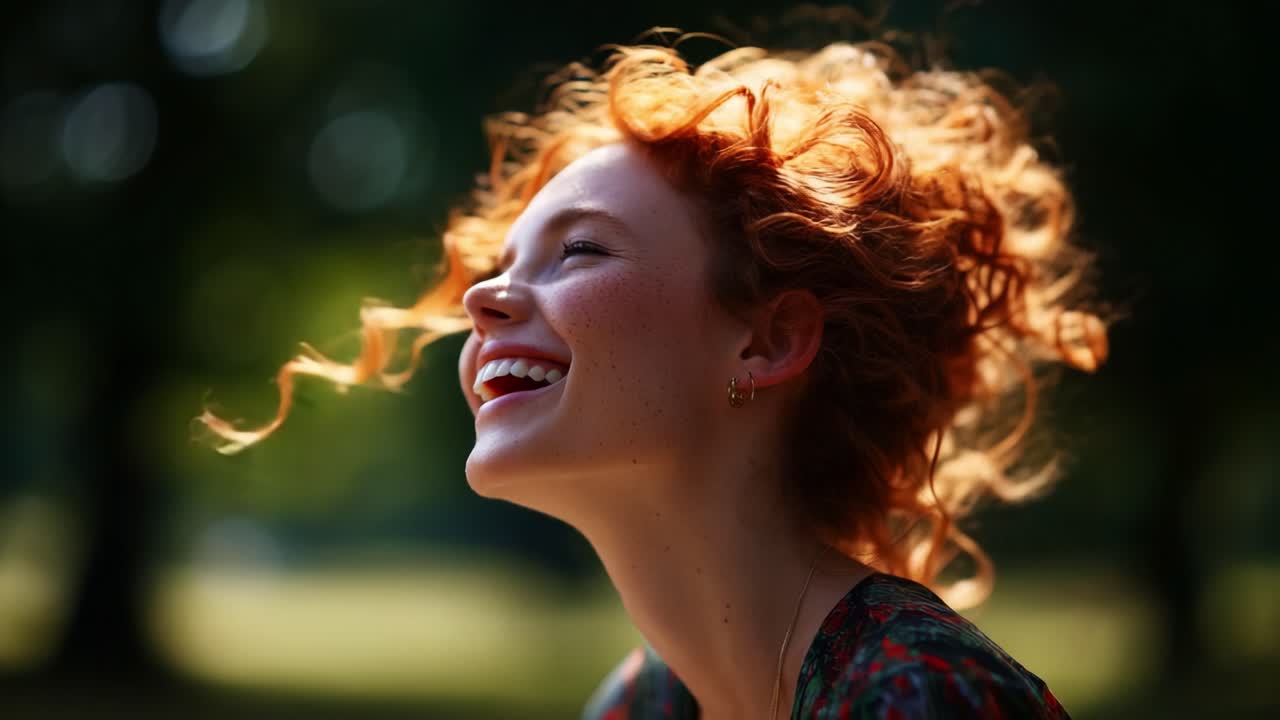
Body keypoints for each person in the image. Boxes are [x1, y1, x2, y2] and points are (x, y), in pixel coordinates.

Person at [198, 28, 1109, 719]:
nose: (484, 298)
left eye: (580, 250)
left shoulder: (921, 696)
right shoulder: (644, 704)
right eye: (504, 261)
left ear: (766, 341)